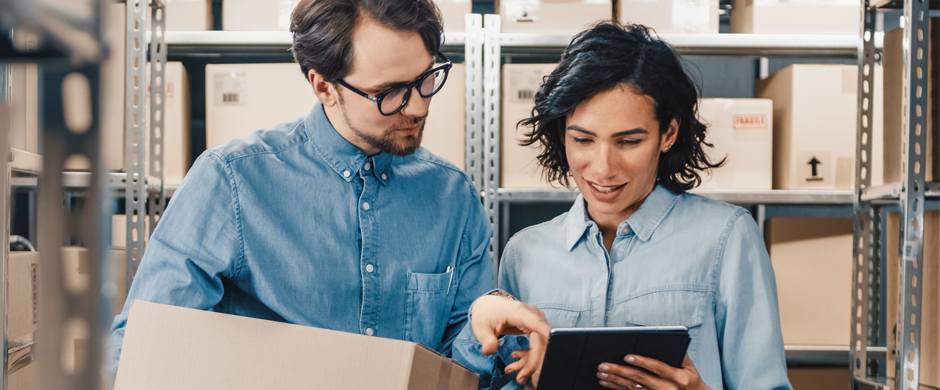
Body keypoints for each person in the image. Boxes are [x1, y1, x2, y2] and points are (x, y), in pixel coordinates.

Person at [107, 0, 550, 385]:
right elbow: (141, 350)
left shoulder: (452, 196)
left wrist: (480, 329)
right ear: (323, 86)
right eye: (390, 92)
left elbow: (461, 370)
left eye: (426, 78)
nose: (417, 105)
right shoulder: (232, 182)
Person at [453, 22, 793, 390]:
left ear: (668, 134)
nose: (603, 168)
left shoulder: (726, 238)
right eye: (583, 139)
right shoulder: (524, 253)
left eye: (629, 141)